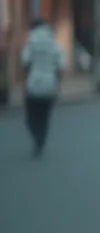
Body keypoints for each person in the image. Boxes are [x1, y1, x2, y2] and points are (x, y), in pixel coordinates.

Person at [20, 18, 66, 157]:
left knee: (31, 117)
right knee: (44, 116)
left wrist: (26, 80)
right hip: (49, 83)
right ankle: (41, 139)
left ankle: (36, 137)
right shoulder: (54, 43)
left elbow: (25, 62)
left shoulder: (31, 42)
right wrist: (58, 83)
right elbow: (61, 66)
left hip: (33, 83)